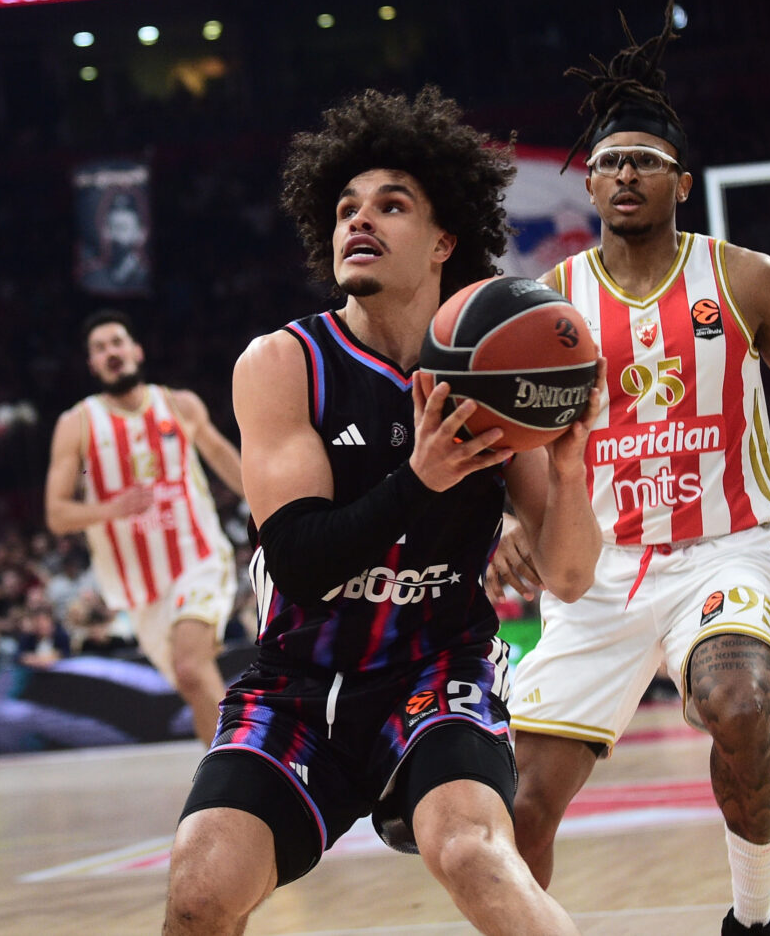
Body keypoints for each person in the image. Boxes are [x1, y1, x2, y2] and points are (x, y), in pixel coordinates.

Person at [164, 87, 603, 936]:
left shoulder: (489, 372)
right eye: (345, 209)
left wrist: (569, 468)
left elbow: (571, 575)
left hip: (438, 674)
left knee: (474, 853)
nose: (359, 221)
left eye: (391, 205)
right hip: (297, 689)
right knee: (198, 895)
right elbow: (298, 560)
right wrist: (419, 480)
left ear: (443, 241)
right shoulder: (285, 361)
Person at [494, 3, 770, 936]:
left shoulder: (744, 279)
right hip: (596, 571)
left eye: (643, 161)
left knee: (736, 702)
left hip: (721, 550)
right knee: (522, 802)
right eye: (609, 161)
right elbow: (509, 435)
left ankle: (754, 919)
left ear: (680, 183)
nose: (623, 173)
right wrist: (508, 520)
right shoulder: (551, 301)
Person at [45, 310, 245, 744]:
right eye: (100, 349)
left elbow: (229, 464)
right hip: (138, 589)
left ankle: (249, 775)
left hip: (199, 558)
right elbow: (57, 514)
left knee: (192, 669)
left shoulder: (180, 404)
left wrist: (272, 507)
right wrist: (109, 509)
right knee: (195, 684)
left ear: (136, 350)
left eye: (117, 342)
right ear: (92, 365)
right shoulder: (76, 423)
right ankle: (228, 779)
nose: (110, 353)